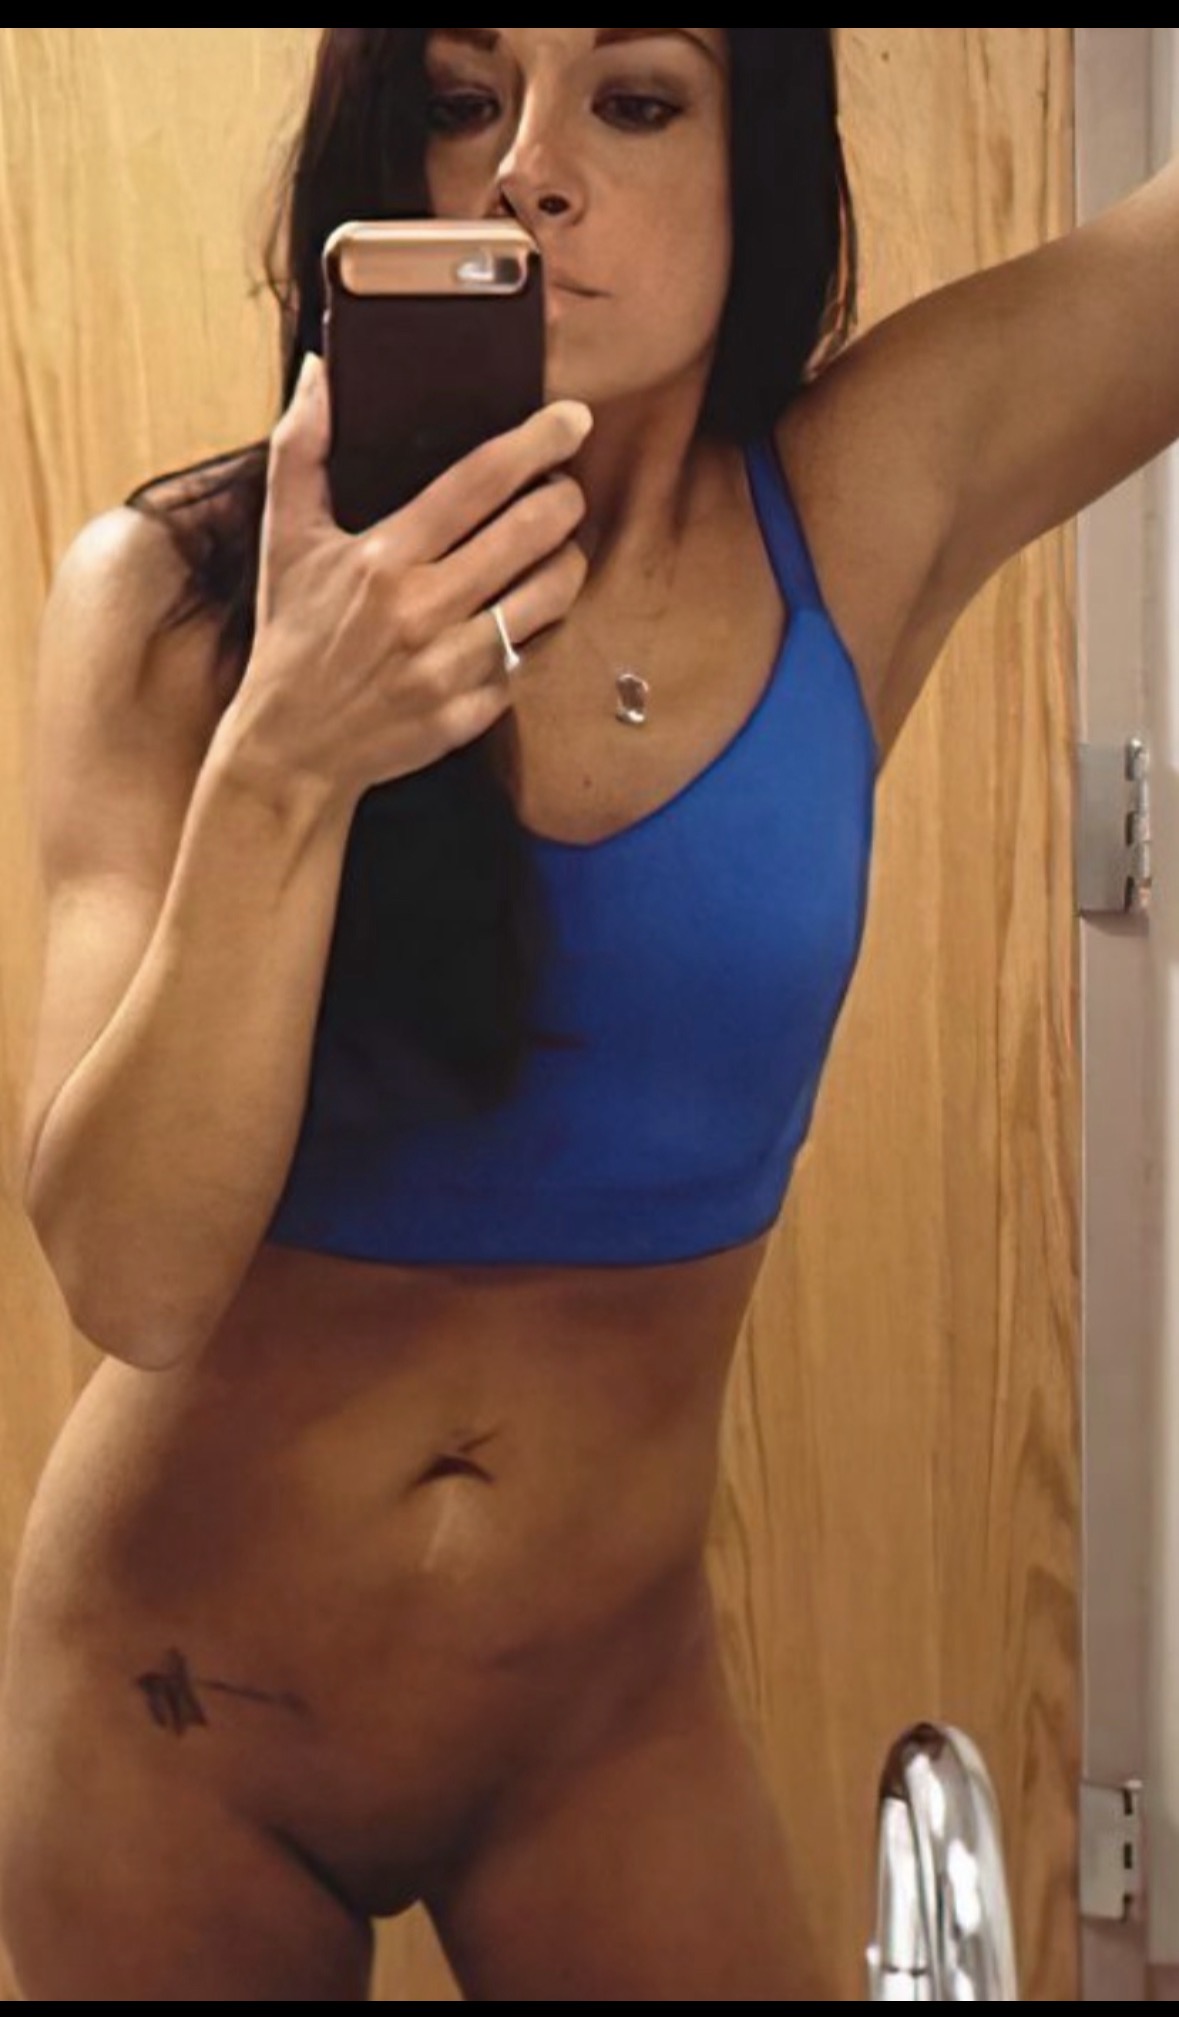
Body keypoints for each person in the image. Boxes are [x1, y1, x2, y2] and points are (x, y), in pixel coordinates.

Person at [0, 25, 1175, 2003]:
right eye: (463, 101)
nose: (529, 171)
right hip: (172, 1719)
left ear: (752, 164)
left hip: (598, 1732)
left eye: (634, 101)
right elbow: (128, 1270)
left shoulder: (853, 510)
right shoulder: (176, 597)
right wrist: (289, 760)